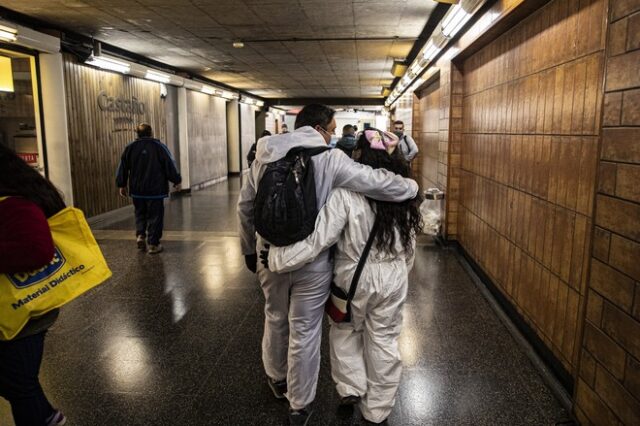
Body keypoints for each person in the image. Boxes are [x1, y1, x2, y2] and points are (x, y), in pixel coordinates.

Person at [237, 104, 418, 426]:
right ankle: (299, 403)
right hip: (314, 263)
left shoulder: (263, 155)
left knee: (275, 315)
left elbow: (246, 205)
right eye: (332, 129)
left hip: (269, 252)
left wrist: (249, 249)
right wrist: (411, 187)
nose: (334, 134)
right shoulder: (332, 159)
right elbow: (377, 183)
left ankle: (276, 377)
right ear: (320, 129)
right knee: (305, 330)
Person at [0, 144, 68, 426]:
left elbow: (37, 250)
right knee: (18, 384)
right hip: (17, 310)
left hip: (23, 313)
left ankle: (45, 418)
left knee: (20, 385)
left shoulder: (15, 204)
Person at [116, 123, 181, 254]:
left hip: (137, 191)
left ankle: (140, 235)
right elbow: (169, 164)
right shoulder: (159, 147)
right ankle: (153, 244)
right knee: (155, 216)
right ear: (151, 132)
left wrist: (121, 184)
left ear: (137, 134)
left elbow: (122, 167)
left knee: (140, 213)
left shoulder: (130, 148)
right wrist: (176, 180)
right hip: (155, 191)